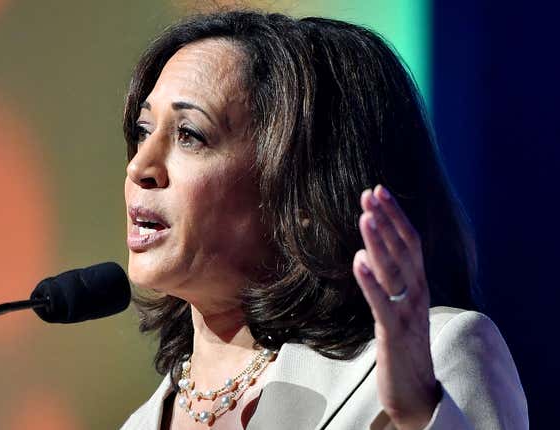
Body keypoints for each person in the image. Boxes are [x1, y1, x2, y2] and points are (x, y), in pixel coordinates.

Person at [119, 9, 527, 430]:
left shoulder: (436, 357)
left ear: (301, 193)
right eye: (144, 130)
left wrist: (419, 412)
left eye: (190, 134)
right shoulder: (139, 424)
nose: (140, 167)